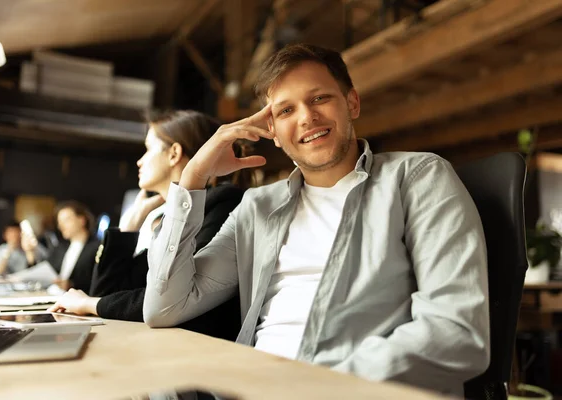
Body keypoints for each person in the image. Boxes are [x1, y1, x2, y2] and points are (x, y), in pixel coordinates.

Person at [142, 44, 490, 397]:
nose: (307, 117)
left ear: (351, 103)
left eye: (320, 98)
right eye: (286, 110)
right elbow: (164, 307)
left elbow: (456, 331)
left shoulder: (416, 178)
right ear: (272, 131)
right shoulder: (258, 207)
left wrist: (313, 385)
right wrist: (192, 180)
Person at [48, 110, 248, 340]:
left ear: (174, 153)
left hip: (193, 345)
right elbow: (107, 292)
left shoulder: (222, 202)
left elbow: (172, 298)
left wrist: (89, 303)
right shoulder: (160, 215)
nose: (139, 160)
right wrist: (128, 227)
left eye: (148, 148)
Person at [25, 201, 99, 292]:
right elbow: (43, 272)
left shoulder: (97, 248)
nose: (61, 226)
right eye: (59, 222)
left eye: (66, 220)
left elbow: (97, 281)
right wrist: (30, 252)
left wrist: (72, 285)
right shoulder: (60, 248)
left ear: (82, 220)